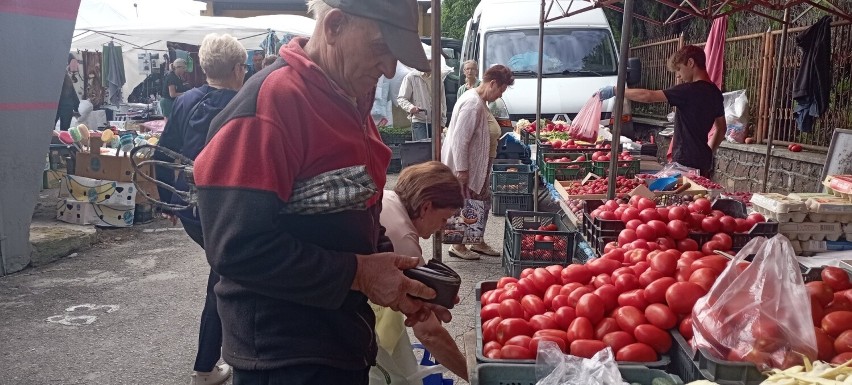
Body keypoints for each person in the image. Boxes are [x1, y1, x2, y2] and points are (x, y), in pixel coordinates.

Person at [191, 0, 451, 383]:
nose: (390, 68)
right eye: (381, 48)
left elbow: (355, 214)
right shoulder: (270, 106)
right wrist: (360, 274)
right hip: (284, 358)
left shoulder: (352, 102)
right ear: (334, 26)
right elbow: (234, 248)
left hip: (340, 341)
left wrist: (396, 279)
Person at [154, 33, 247, 385]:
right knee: (225, 277)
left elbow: (163, 152)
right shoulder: (246, 102)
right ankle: (207, 367)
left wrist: (167, 202)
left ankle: (210, 365)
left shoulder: (186, 100)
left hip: (189, 208)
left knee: (225, 273)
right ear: (239, 68)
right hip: (232, 210)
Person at [371, 161, 467, 384]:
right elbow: (428, 333)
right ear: (425, 207)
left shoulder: (388, 199)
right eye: (444, 218)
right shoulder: (401, 235)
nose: (443, 227)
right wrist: (475, 376)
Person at [598, 45, 725, 177]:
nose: (678, 75)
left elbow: (649, 96)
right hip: (703, 162)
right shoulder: (715, 93)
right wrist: (708, 151)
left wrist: (616, 90)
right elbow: (721, 129)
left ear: (691, 63)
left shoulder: (687, 90)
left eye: (679, 69)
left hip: (685, 162)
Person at [441, 64, 515, 260]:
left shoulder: (479, 100)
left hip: (478, 164)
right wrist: (462, 170)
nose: (500, 95)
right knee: (467, 203)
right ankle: (458, 244)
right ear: (492, 84)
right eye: (501, 89)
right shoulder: (473, 104)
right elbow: (460, 139)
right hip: (468, 166)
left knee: (481, 202)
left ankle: (476, 240)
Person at [397, 58, 447, 141]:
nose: (429, 64)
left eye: (431, 61)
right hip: (419, 120)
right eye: (427, 61)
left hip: (436, 121)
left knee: (436, 150)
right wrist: (411, 108)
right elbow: (401, 98)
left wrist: (442, 121)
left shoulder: (438, 79)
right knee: (423, 148)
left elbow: (443, 102)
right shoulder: (411, 77)